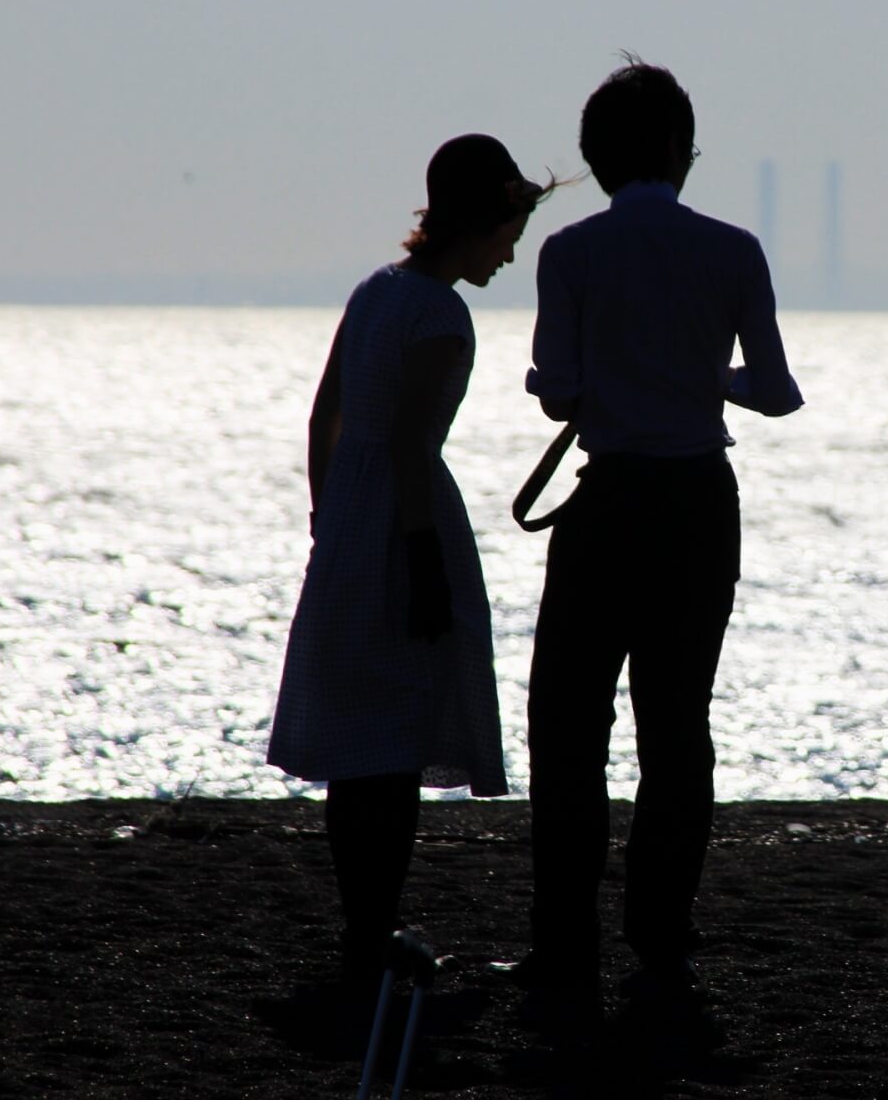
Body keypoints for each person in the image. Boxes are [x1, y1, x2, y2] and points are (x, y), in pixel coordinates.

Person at [500, 59, 804, 1035]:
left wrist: (610, 378)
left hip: (609, 503)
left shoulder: (569, 252)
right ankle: (662, 941)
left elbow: (558, 390)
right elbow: (777, 393)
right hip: (699, 506)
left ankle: (564, 944)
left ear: (594, 157)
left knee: (566, 724)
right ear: (680, 149)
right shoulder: (735, 250)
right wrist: (702, 377)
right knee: (677, 727)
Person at [268, 134, 558, 997]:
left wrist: (327, 517)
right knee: (392, 746)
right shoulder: (440, 316)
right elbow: (408, 445)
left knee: (359, 743)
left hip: (352, 519)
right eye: (507, 235)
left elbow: (325, 416)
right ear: (477, 223)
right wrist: (425, 562)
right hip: (406, 524)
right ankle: (371, 933)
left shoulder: (376, 291)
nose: (510, 255)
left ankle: (362, 928)